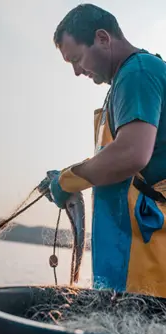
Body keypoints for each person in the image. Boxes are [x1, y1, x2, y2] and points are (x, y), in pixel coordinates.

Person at [38, 3, 166, 298]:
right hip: (127, 264)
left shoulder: (139, 73)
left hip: (147, 269)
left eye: (78, 58)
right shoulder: (125, 80)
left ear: (103, 38)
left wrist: (67, 180)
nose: (76, 71)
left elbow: (131, 153)